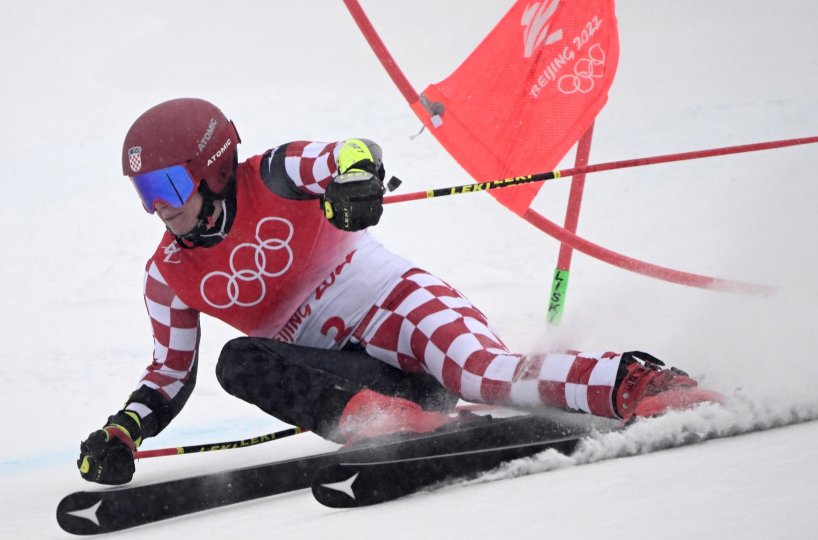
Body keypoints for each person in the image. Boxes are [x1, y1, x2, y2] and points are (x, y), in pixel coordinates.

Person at [77, 98, 718, 485]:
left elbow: (349, 152)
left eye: (166, 188)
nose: (158, 209)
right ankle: (390, 428)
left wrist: (356, 181)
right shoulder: (167, 275)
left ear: (212, 168)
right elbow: (169, 374)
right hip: (363, 380)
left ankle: (635, 382)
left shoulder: (273, 173)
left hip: (396, 304)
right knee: (237, 362)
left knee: (479, 370)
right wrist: (123, 430)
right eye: (145, 196)